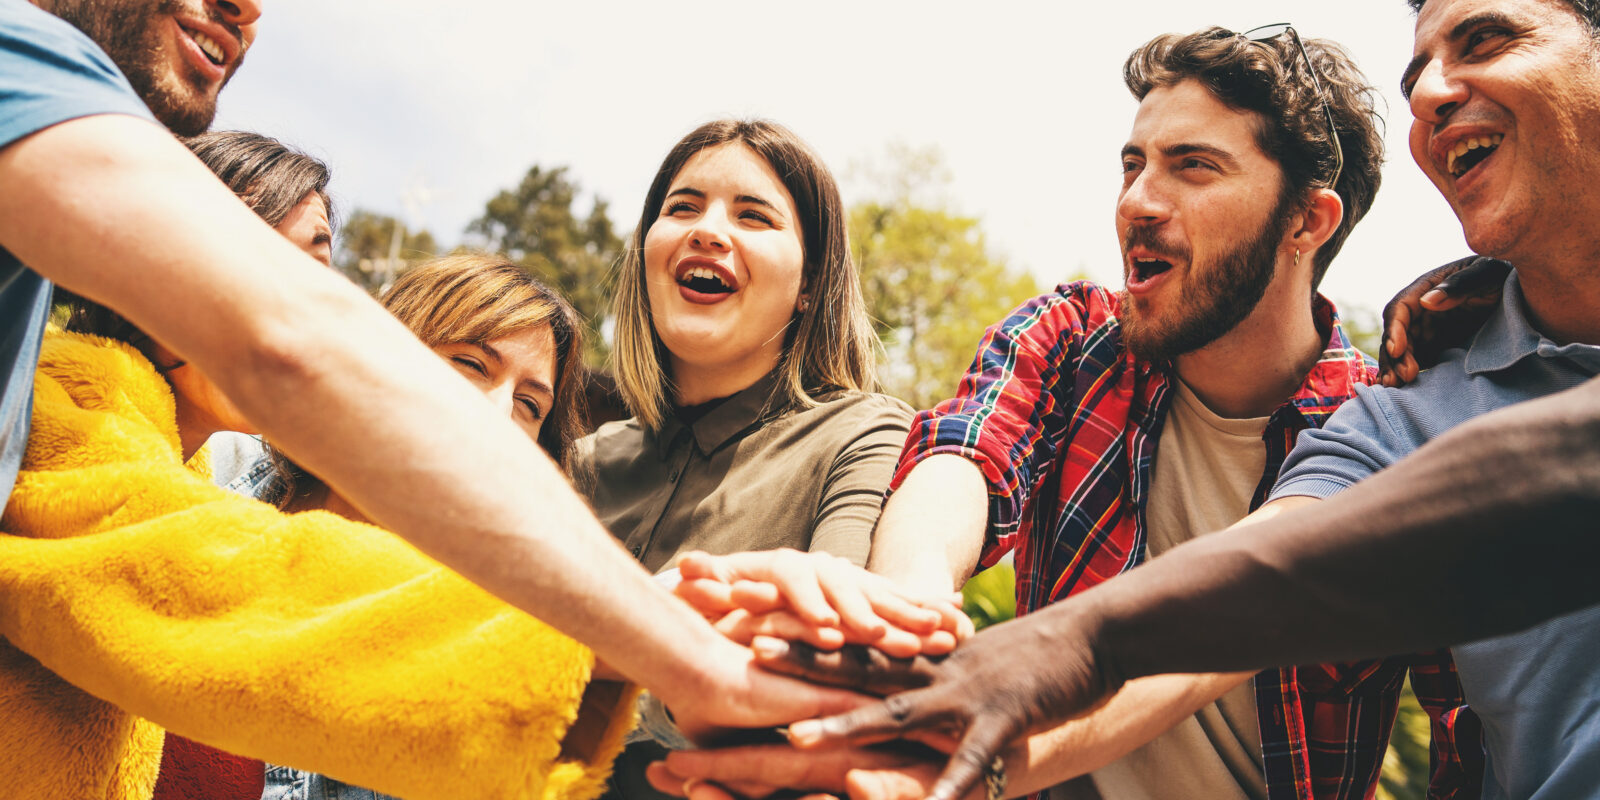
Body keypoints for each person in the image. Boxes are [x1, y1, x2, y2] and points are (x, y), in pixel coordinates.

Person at [0, 0, 877, 741]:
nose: (247, 8)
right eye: (461, 366)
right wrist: (668, 641)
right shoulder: (20, 62)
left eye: (531, 405)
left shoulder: (858, 437)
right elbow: (231, 544)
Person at [650, 24, 1472, 800]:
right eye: (1132, 164)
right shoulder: (1075, 339)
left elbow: (1470, 717)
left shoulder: (1390, 434)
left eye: (1192, 167)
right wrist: (913, 613)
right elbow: (963, 456)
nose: (1137, 203)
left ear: (1306, 219)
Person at [0, 128, 641, 800]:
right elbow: (214, 574)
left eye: (530, 405)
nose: (493, 411)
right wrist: (607, 634)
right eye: (468, 363)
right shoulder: (82, 422)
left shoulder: (183, 462)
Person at [575, 117, 931, 799]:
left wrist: (577, 643)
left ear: (809, 284)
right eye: (682, 207)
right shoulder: (586, 460)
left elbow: (823, 664)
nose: (707, 230)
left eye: (754, 216)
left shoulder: (864, 435)